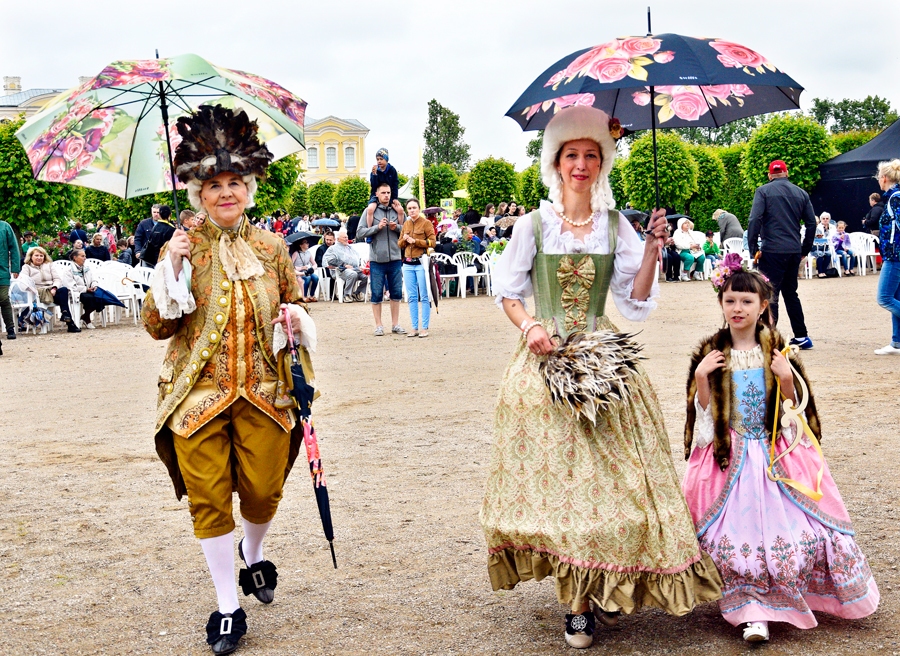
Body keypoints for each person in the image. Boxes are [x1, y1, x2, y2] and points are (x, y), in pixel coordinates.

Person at [482, 105, 722, 650]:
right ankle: (578, 603)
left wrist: (655, 250)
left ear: (603, 162)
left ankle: (608, 581)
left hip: (602, 359)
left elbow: (634, 302)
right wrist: (531, 327)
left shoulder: (617, 226)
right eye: (573, 155)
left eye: (592, 155)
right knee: (567, 488)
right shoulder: (532, 225)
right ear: (556, 162)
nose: (582, 164)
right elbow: (508, 293)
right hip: (544, 367)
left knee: (615, 485)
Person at [142, 105, 316, 655]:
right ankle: (227, 605)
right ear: (198, 193)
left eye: (234, 182)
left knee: (264, 493)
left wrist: (295, 320)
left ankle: (253, 552)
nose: (225, 192)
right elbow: (156, 326)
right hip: (197, 396)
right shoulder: (182, 248)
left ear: (249, 187)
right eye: (213, 184)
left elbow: (293, 301)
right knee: (208, 500)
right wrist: (170, 269)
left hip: (264, 393)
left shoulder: (271, 248)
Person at [682, 263, 879, 644]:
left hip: (775, 457)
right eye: (730, 300)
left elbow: (797, 413)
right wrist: (702, 377)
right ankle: (752, 611)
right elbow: (705, 418)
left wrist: (787, 380)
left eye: (746, 300)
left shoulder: (778, 349)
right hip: (731, 458)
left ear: (763, 304)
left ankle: (786, 598)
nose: (737, 308)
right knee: (740, 533)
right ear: (721, 304)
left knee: (791, 529)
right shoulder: (710, 351)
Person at [747, 159, 816, 350]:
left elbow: (755, 219)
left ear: (770, 175)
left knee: (770, 294)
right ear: (786, 173)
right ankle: (801, 335)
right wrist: (805, 249)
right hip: (793, 250)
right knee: (791, 293)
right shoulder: (801, 193)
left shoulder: (763, 191)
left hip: (772, 249)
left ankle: (769, 336)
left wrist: (753, 247)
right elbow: (811, 223)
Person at [356, 182, 406, 336]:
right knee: (377, 293)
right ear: (376, 194)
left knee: (396, 292)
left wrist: (396, 227)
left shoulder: (397, 210)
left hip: (396, 257)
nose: (386, 195)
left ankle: (395, 324)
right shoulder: (370, 211)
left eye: (388, 192)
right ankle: (378, 325)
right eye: (383, 192)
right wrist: (376, 228)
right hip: (377, 259)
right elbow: (359, 233)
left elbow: (407, 231)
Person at [399, 197, 436, 337]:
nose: (412, 210)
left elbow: (432, 242)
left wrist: (416, 241)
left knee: (424, 296)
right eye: (409, 208)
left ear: (419, 209)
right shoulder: (406, 224)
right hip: (407, 264)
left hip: (421, 263)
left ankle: (424, 327)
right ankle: (414, 327)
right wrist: (404, 240)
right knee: (412, 297)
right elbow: (399, 244)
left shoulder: (426, 223)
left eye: (414, 208)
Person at [20, 246, 80, 332]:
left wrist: (54, 288)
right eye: (36, 255)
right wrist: (33, 290)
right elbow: (23, 282)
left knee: (63, 290)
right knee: (62, 296)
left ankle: (65, 314)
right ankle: (70, 323)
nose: (39, 258)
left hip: (51, 291)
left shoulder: (49, 265)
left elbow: (57, 279)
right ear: (31, 256)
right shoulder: (27, 267)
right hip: (37, 293)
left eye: (41, 255)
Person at [874, 159, 900, 355]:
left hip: (895, 255)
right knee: (895, 297)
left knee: (884, 297)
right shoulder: (894, 197)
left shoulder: (894, 198)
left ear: (884, 178)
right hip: (894, 254)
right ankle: (896, 342)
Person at [324, 230, 368, 302]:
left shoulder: (351, 248)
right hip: (340, 270)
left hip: (355, 269)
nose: (346, 239)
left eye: (347, 237)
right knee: (352, 274)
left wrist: (360, 265)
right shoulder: (332, 248)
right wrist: (344, 265)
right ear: (338, 239)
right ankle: (347, 295)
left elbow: (358, 258)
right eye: (344, 237)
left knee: (367, 275)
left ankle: (357, 293)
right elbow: (330, 260)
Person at [65, 248, 104, 329]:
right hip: (78, 292)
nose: (85, 258)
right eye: (82, 256)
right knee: (90, 298)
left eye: (85, 256)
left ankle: (84, 316)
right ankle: (87, 319)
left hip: (89, 290)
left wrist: (94, 285)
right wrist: (86, 289)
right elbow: (71, 286)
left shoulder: (87, 268)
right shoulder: (68, 270)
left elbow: (94, 279)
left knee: (101, 297)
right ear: (75, 258)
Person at [363, 147, 399, 229]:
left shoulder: (392, 170)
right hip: (376, 195)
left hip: (389, 195)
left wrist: (395, 198)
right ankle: (369, 229)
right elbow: (374, 185)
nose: (379, 161)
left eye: (381, 159)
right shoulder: (374, 171)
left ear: (386, 160)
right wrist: (374, 175)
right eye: (377, 159)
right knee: (370, 209)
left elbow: (395, 184)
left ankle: (401, 229)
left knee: (400, 210)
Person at [0, 219, 21, 340]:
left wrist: (15, 267)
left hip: (2, 270)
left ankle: (10, 328)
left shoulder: (4, 227)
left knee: (3, 298)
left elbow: (14, 247)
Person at [290, 236, 319, 302]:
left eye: (307, 242)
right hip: (298, 273)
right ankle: (304, 296)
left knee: (315, 278)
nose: (307, 244)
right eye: (305, 243)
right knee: (307, 278)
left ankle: (312, 295)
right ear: (300, 245)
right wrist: (300, 268)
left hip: (307, 271)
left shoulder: (308, 253)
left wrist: (312, 268)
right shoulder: (296, 253)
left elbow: (315, 264)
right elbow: (291, 265)